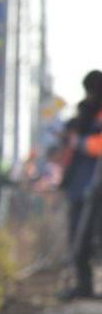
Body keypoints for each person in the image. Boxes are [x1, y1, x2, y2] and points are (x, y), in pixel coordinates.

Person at [61, 70, 102, 299]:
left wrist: (80, 142)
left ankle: (90, 285)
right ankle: (83, 285)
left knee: (92, 238)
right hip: (80, 186)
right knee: (78, 237)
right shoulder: (85, 114)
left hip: (95, 186)